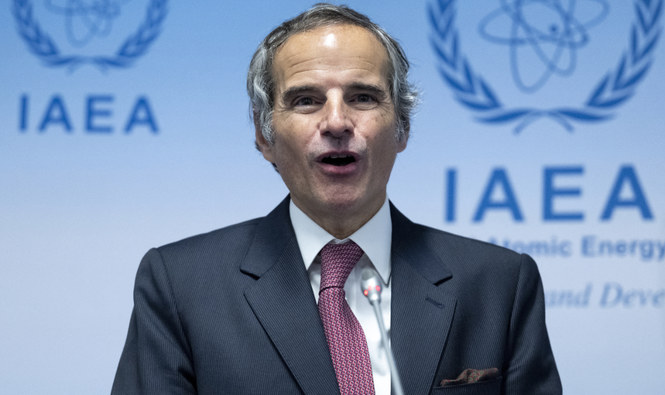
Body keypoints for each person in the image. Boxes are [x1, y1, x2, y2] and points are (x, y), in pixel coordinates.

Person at [112, 4, 561, 394]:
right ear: (263, 135)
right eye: (306, 100)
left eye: (363, 97)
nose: (337, 121)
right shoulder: (180, 284)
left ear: (402, 127)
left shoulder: (499, 284)